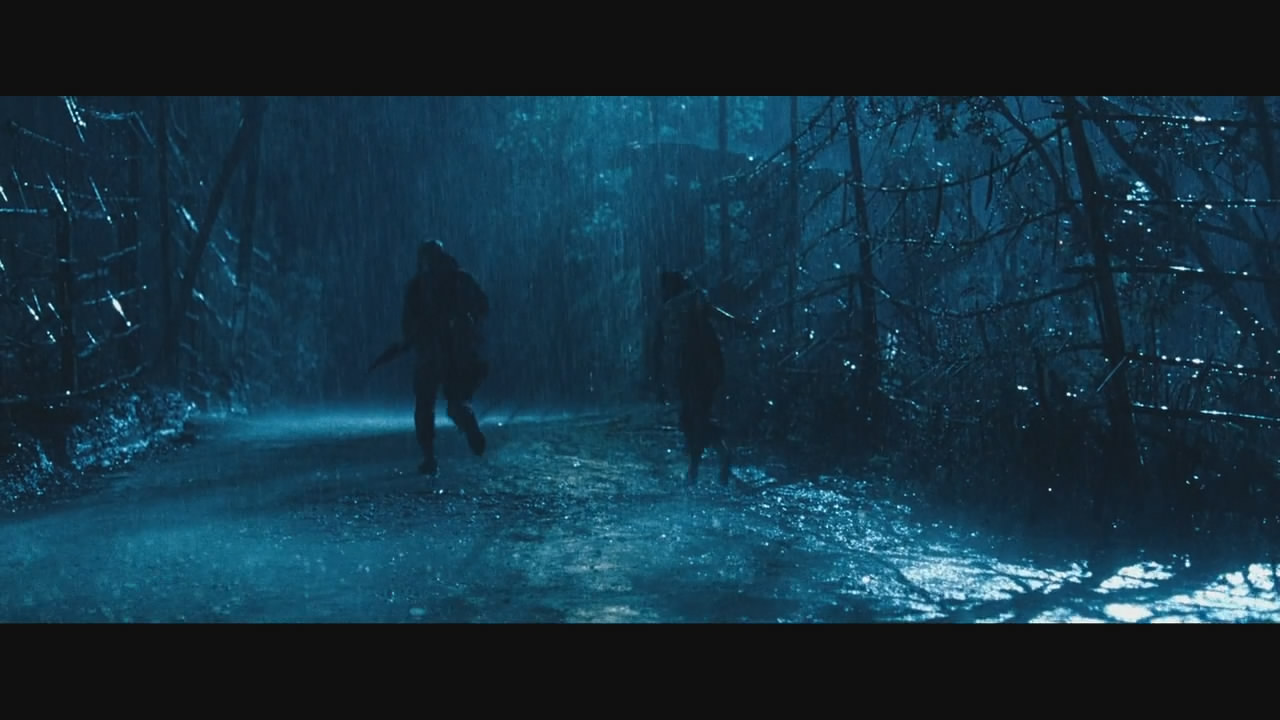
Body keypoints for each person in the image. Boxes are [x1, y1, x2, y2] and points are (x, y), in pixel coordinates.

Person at [401, 240, 489, 475]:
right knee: (452, 401)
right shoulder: (459, 279)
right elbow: (483, 306)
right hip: (453, 351)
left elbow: (407, 323)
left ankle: (430, 456)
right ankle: (464, 427)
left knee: (427, 405)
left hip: (438, 352)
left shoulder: (420, 285)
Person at [650, 269, 732, 486]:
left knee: (696, 417)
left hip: (697, 367)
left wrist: (660, 380)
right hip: (699, 367)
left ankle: (700, 467)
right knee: (695, 417)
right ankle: (713, 460)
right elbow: (715, 314)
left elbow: (662, 345)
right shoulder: (684, 303)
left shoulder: (682, 304)